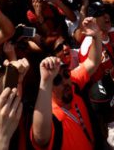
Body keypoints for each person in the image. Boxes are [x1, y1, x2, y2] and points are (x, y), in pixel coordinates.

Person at [31, 17, 103, 150]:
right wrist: (45, 80)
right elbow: (40, 137)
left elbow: (93, 62)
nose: (65, 82)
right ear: (48, 88)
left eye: (66, 74)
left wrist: (96, 36)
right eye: (56, 80)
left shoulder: (73, 81)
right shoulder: (50, 114)